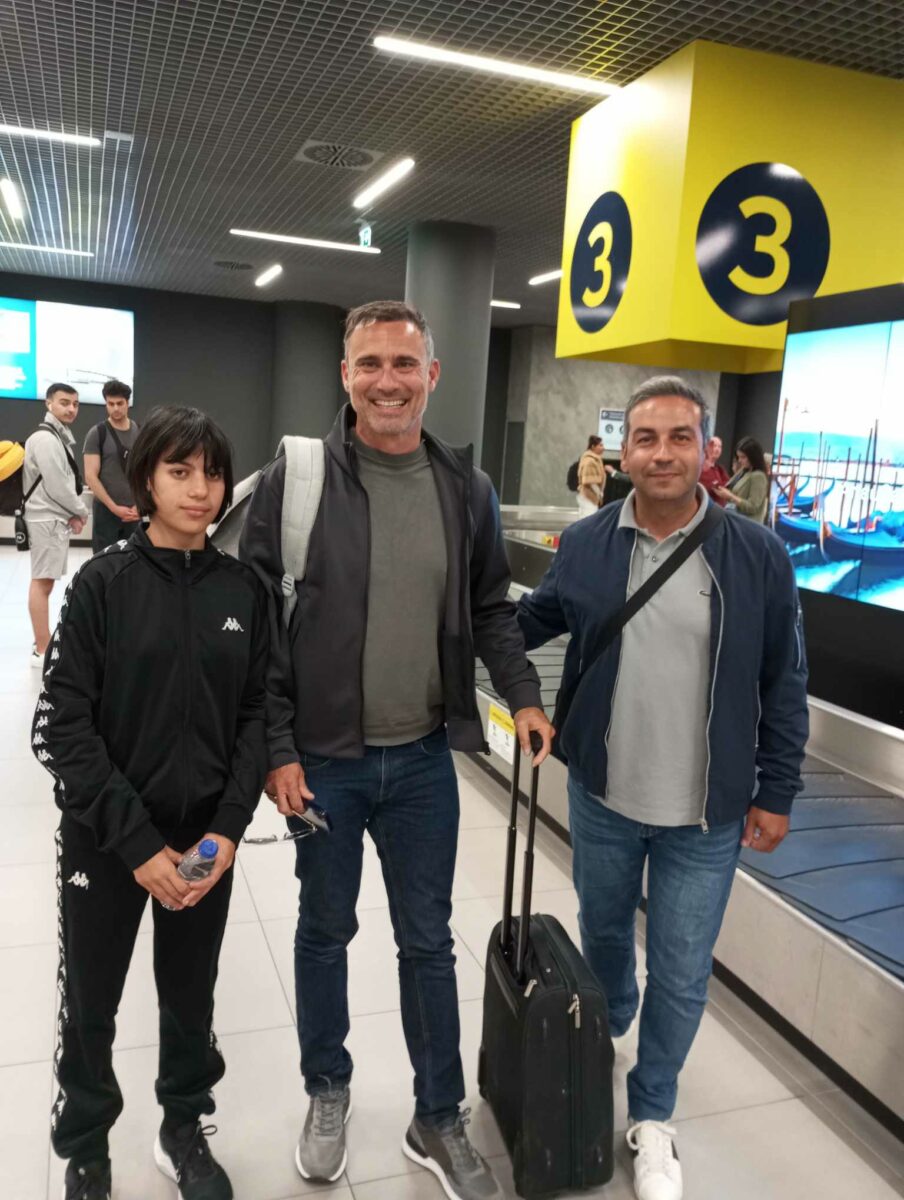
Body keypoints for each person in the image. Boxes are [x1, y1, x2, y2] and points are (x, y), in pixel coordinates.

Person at [239, 300, 553, 1200]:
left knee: (427, 942)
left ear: (432, 376)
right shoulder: (297, 481)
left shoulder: (465, 488)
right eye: (370, 364)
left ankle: (438, 1114)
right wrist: (278, 748)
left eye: (404, 364)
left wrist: (523, 696)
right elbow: (259, 631)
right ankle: (327, 1090)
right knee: (324, 932)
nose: (387, 381)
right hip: (323, 763)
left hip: (422, 761)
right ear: (346, 375)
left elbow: (490, 608)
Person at [516, 376, 808, 1200]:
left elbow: (785, 680)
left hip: (706, 813)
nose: (662, 453)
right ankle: (606, 1025)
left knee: (680, 972)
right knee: (604, 937)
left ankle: (652, 1114)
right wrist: (461, 633)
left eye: (680, 437)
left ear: (707, 450)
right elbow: (531, 622)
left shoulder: (757, 556)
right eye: (645, 438)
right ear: (624, 450)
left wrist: (777, 790)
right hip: (604, 794)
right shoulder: (588, 544)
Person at [34, 407, 268, 1200]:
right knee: (90, 1001)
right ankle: (87, 1147)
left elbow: (256, 716)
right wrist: (134, 843)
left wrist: (226, 831)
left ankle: (182, 1128)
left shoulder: (245, 590)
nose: (200, 490)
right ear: (147, 480)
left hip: (203, 842)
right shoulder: (103, 585)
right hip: (106, 840)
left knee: (190, 996)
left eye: (213, 473)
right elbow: (59, 726)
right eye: (180, 471)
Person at [22, 384, 89, 664]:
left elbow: (59, 484)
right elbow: (58, 485)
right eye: (64, 402)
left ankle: (42, 640)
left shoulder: (56, 437)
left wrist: (71, 514)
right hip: (46, 519)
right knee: (42, 582)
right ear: (49, 404)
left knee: (45, 582)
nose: (71, 408)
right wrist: (81, 511)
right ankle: (42, 648)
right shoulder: (46, 439)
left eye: (75, 403)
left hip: (51, 517)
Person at [83, 379, 141, 552]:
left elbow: (146, 473)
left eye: (120, 403)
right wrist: (113, 507)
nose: (115, 408)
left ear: (127, 403)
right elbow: (90, 476)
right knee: (104, 560)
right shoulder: (97, 433)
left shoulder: (140, 431)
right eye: (111, 404)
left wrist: (140, 504)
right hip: (106, 511)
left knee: (132, 560)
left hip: (134, 512)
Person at [715, 436, 770, 521]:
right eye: (739, 457)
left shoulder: (758, 476)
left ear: (753, 456)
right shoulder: (744, 471)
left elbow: (753, 507)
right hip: (736, 519)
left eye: (743, 457)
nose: (739, 460)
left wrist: (730, 496)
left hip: (746, 523)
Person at [577, 434, 606, 516]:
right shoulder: (590, 461)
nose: (603, 448)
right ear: (593, 446)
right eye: (600, 445)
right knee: (589, 518)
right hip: (588, 496)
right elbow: (590, 482)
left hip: (590, 496)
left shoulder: (595, 460)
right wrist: (599, 493)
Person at [699, 434, 730, 504]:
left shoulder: (720, 469)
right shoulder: (700, 468)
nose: (717, 449)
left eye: (719, 446)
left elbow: (728, 485)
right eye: (714, 446)